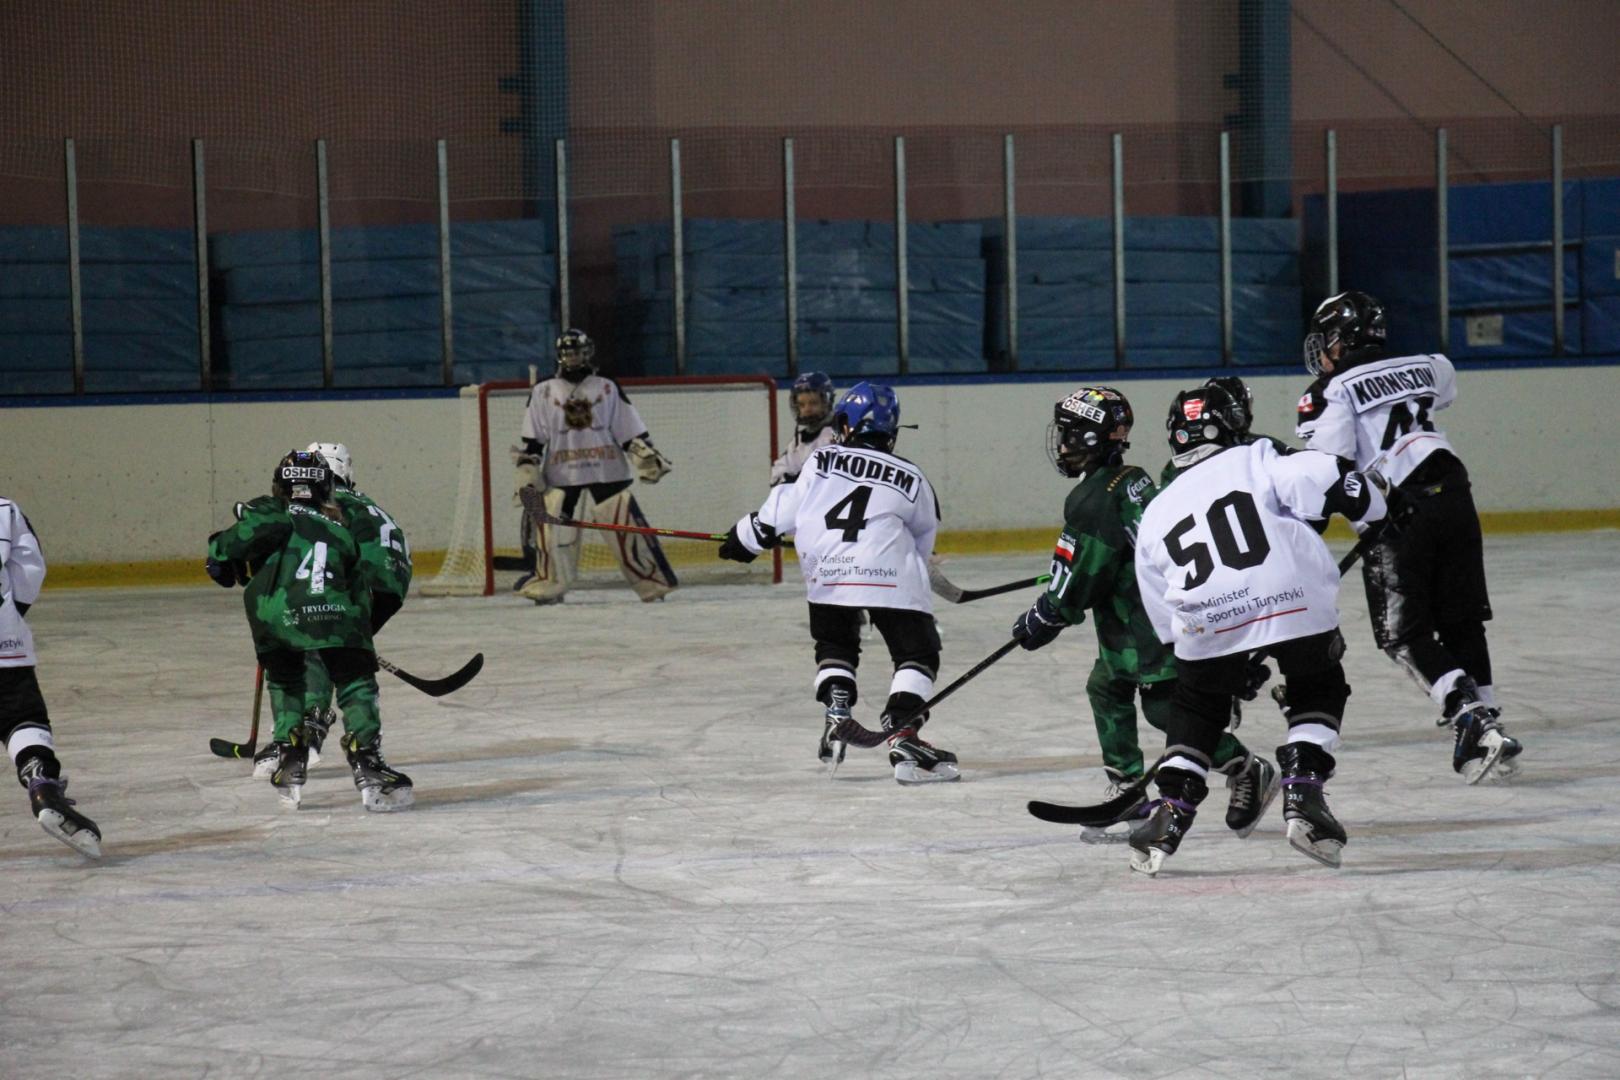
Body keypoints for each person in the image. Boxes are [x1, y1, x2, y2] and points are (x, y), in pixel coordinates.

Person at [1132, 383, 1398, 874]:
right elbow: (1332, 478)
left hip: (1207, 619)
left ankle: (1171, 811)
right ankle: (1304, 789)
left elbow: (1168, 626)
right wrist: (1377, 510)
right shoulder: (1258, 456)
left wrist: (1226, 662)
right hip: (1292, 598)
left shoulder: (1154, 512)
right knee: (1317, 683)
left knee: (1197, 704)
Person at [1010, 387, 1277, 843]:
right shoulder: (1129, 479)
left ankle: (1247, 768)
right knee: (1105, 687)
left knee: (1164, 710)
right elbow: (1105, 558)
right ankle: (1129, 791)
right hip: (1137, 618)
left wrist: (1047, 613)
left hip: (1150, 625)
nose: (1063, 444)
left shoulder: (1093, 499)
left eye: (1071, 435)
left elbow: (1082, 580)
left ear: (1093, 439)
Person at [1295, 290, 1520, 783]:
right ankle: (1490, 719)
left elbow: (1328, 468)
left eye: (1327, 339)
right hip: (1455, 492)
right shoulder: (1429, 363)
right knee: (1462, 621)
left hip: (1399, 504)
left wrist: (1309, 524)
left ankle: (1469, 717)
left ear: (1340, 339)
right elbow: (1442, 385)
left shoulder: (1328, 390)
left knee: (1403, 635)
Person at [718, 382, 957, 784]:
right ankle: (903, 735)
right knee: (917, 654)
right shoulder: (913, 476)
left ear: (846, 425)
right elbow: (922, 541)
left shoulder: (821, 459)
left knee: (836, 646)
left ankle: (837, 710)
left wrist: (744, 538)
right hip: (890, 573)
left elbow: (778, 512)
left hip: (828, 573)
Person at [208, 451, 412, 812]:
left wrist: (221, 557)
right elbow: (356, 584)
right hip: (335, 615)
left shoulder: (272, 510)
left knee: (285, 681)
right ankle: (367, 761)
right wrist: (358, 639)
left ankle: (290, 754)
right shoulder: (341, 529)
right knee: (355, 684)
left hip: (274, 619)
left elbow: (231, 547)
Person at [513, 329, 677, 604]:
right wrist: (528, 466)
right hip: (562, 472)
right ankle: (548, 582)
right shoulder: (543, 391)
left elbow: (629, 430)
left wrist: (644, 455)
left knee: (626, 527)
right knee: (550, 528)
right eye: (567, 353)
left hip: (606, 468)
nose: (572, 358)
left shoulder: (606, 387)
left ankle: (652, 583)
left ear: (587, 353)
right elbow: (534, 439)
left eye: (577, 352)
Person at [0, 497, 101, 857]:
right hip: (3, 643)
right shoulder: (4, 509)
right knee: (19, 719)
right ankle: (41, 784)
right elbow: (30, 568)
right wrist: (10, 615)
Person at [770, 371, 837, 486]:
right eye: (802, 405)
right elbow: (777, 476)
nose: (807, 409)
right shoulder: (798, 440)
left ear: (826, 402)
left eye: (813, 403)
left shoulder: (839, 433)